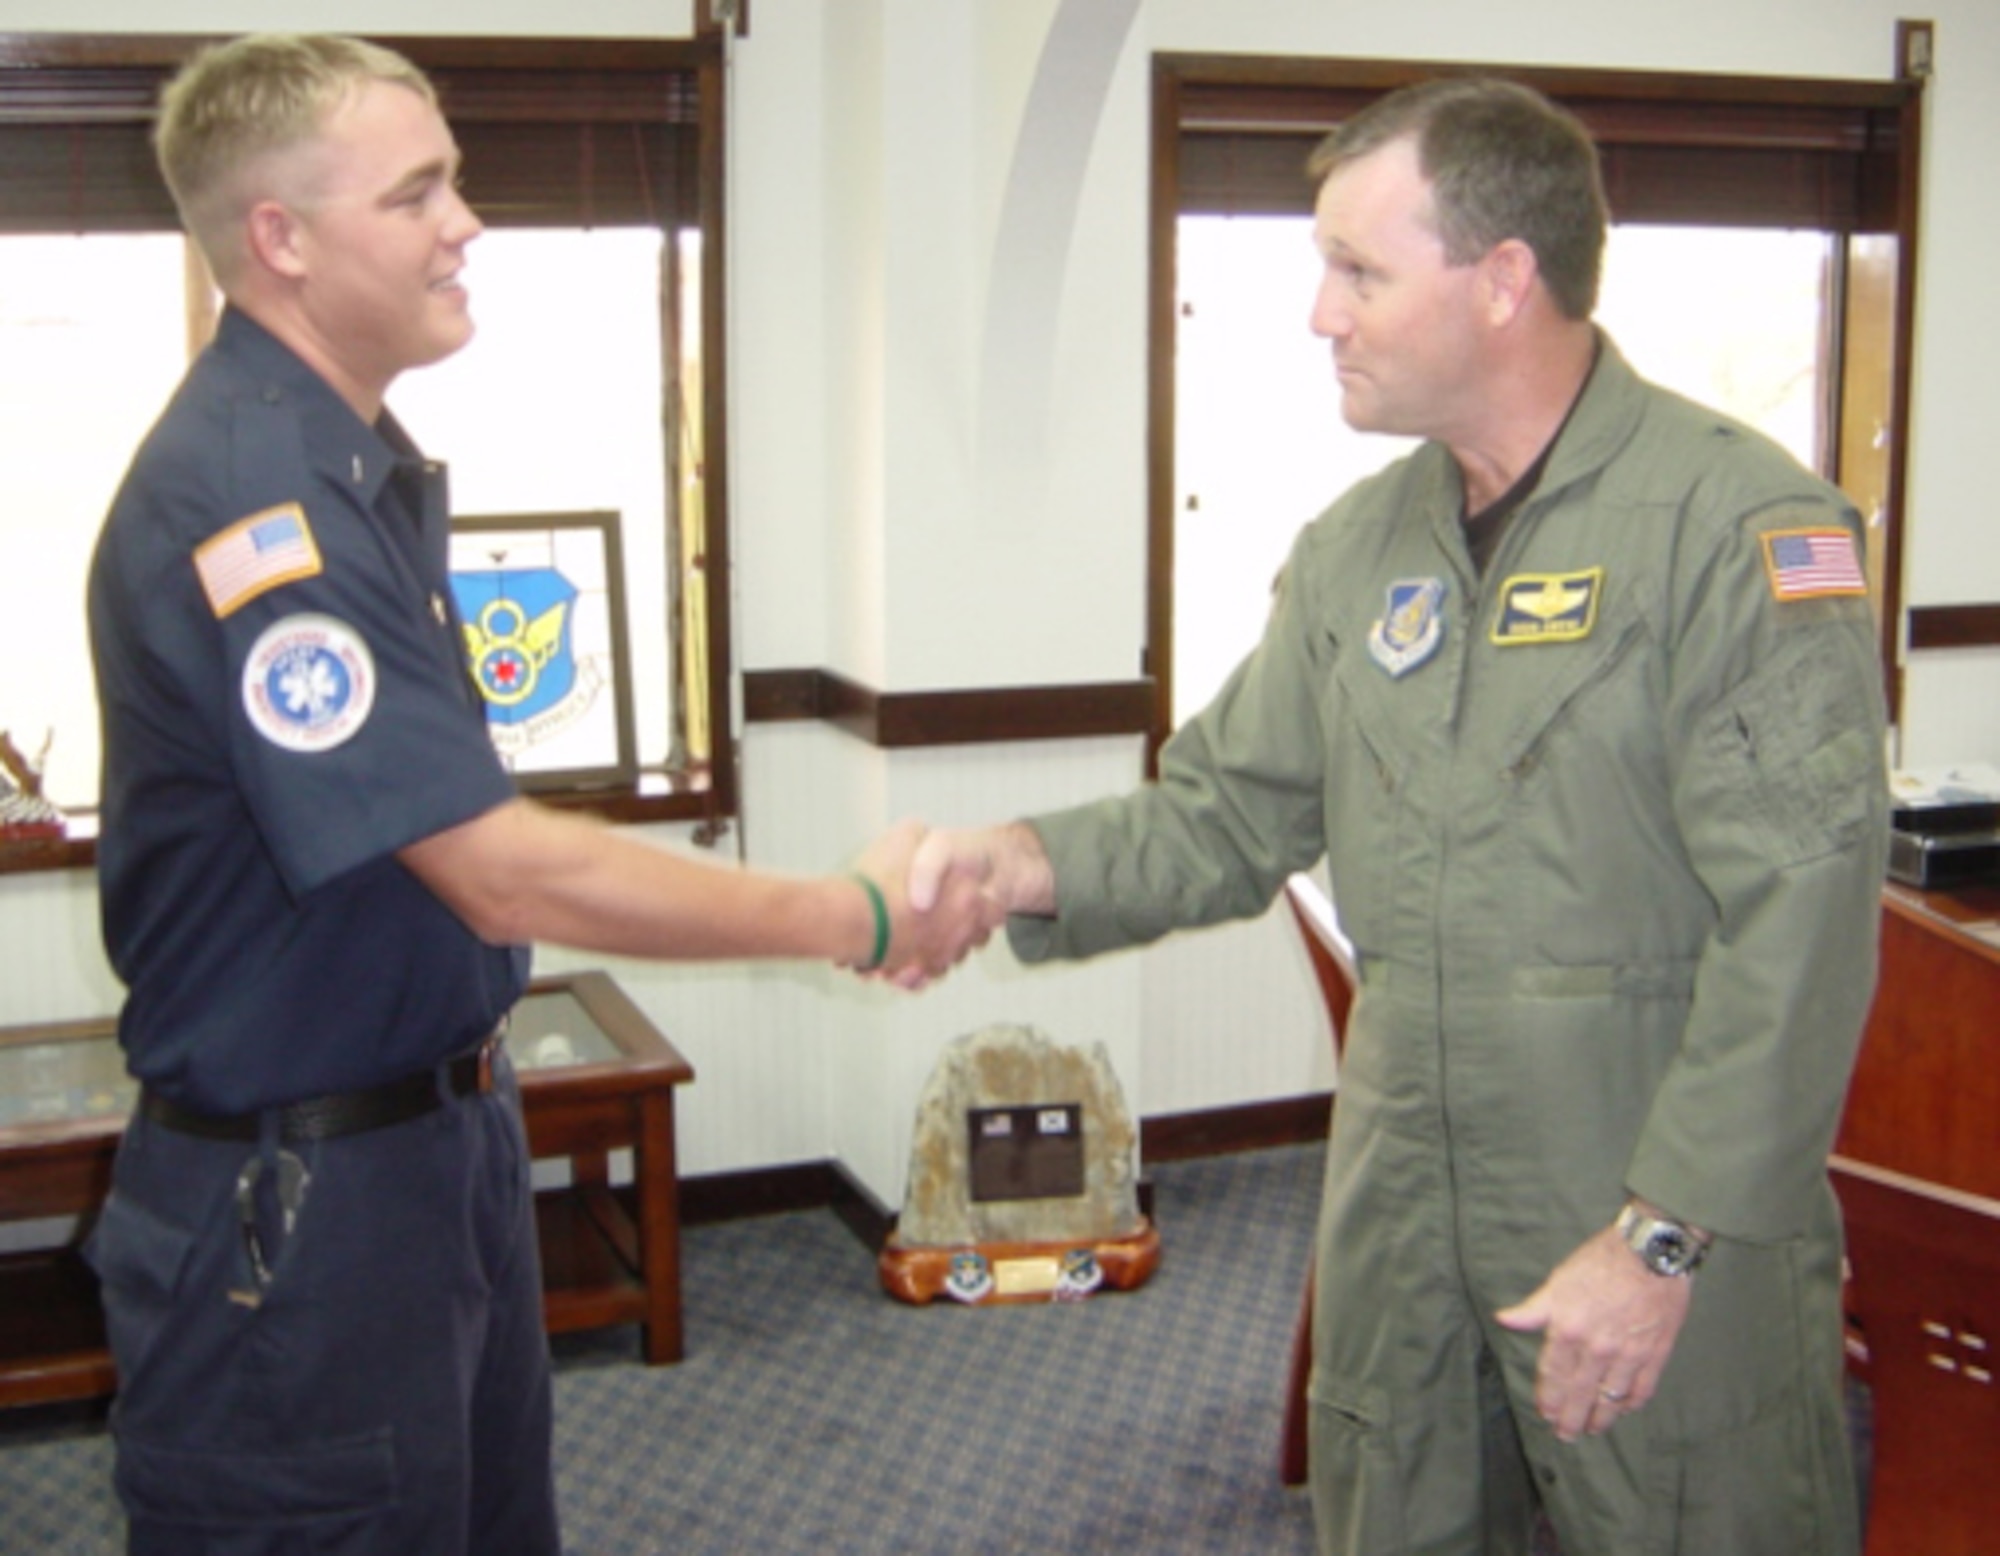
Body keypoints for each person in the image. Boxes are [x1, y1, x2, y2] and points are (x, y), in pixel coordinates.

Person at [903, 77, 1889, 1556]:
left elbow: (1801, 930)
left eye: (1357, 269)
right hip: (1405, 1205)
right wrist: (1015, 865)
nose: (1319, 312)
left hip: (1639, 1196)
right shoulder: (1362, 551)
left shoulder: (1737, 529)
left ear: (1503, 282)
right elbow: (1220, 815)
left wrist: (1662, 1235)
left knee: (1694, 1516)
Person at [84, 33, 998, 1556]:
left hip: (432, 1148)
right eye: (419, 191)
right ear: (282, 242)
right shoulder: (255, 501)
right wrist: (851, 911)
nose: (469, 222)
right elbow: (498, 872)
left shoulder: (347, 467)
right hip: (303, 1212)